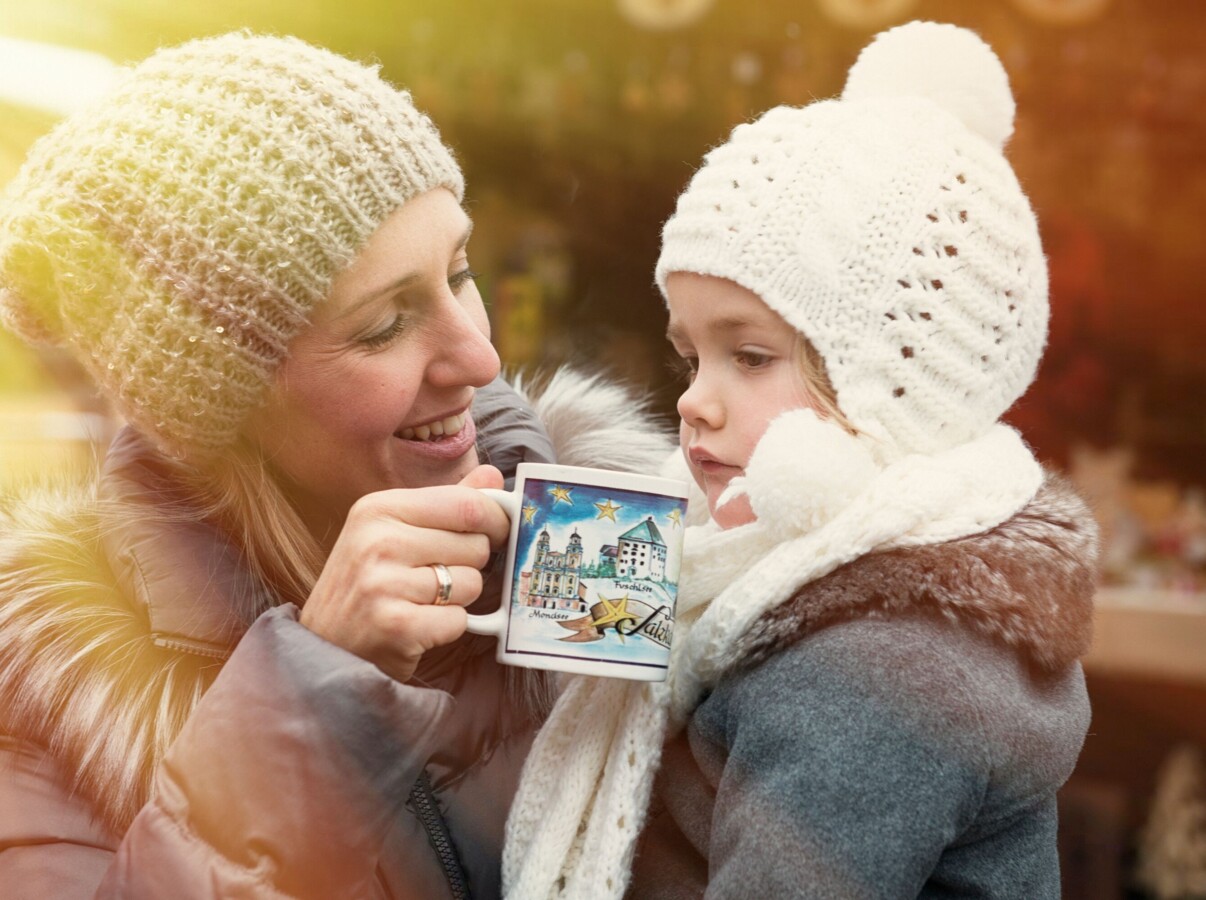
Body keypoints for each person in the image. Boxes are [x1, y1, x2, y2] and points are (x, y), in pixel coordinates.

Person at [0, 32, 674, 899]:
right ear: (225, 411)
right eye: (384, 324)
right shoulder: (57, 695)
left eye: (460, 272)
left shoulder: (616, 511)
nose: (478, 355)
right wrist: (307, 702)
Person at [503, 21, 1099, 899]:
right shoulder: (761, 571)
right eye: (689, 355)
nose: (693, 399)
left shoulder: (874, 680)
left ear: (897, 393)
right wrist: (496, 576)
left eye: (748, 357)